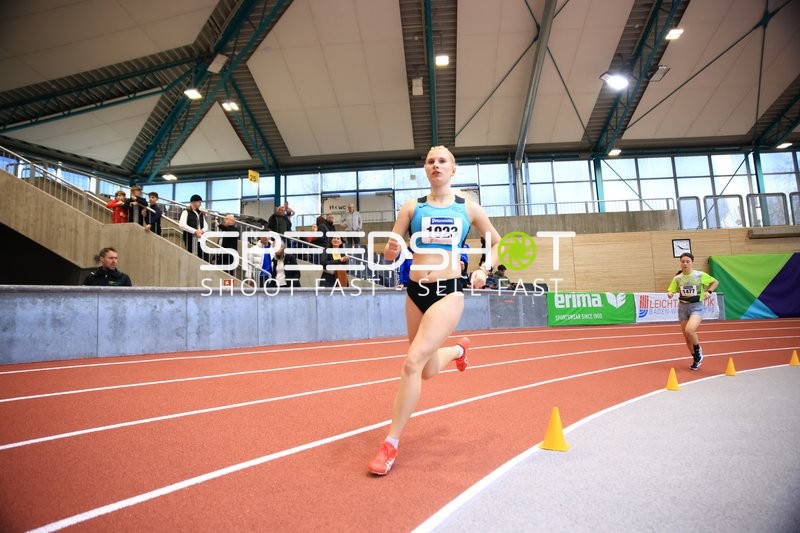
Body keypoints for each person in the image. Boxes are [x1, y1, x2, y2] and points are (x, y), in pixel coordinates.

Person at [367, 146, 501, 476]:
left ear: (453, 170)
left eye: (442, 161)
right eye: (430, 161)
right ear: (425, 170)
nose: (436, 165)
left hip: (449, 291)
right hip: (415, 293)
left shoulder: (467, 207)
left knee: (412, 363)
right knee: (425, 370)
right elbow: (388, 252)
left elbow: (496, 242)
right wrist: (392, 248)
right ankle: (458, 350)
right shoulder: (412, 207)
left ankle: (390, 444)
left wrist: (484, 269)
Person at [667, 252, 719, 370]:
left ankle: (698, 350)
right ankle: (695, 358)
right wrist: (670, 293)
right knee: (686, 337)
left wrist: (709, 291)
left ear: (691, 263)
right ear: (680, 263)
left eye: (687, 261)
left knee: (690, 330)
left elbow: (715, 282)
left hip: (696, 306)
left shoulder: (699, 275)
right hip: (683, 308)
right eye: (683, 261)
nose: (685, 264)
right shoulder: (677, 278)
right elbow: (671, 290)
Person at [179, 194, 208, 259]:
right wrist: (195, 231)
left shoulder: (200, 214)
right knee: (193, 258)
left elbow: (206, 226)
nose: (200, 204)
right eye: (199, 202)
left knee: (206, 259)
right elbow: (182, 224)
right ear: (193, 202)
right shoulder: (186, 212)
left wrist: (201, 231)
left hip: (201, 239)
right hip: (191, 239)